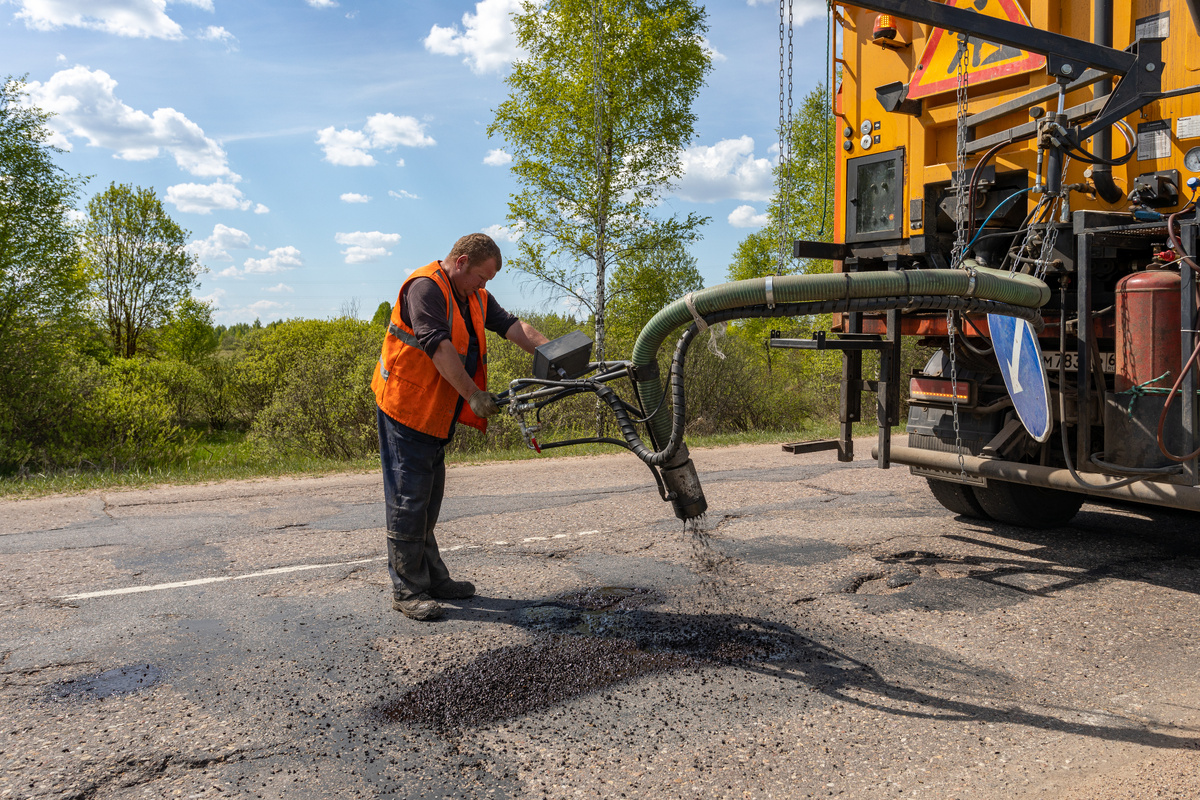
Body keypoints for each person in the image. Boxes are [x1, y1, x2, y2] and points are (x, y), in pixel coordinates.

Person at [372, 233, 549, 621]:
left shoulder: (474, 297)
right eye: (482, 277)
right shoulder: (426, 288)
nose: (485, 286)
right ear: (463, 261)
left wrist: (554, 354)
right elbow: (437, 345)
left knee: (428, 497)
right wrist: (472, 394)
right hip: (406, 408)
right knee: (409, 499)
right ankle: (406, 589)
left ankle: (432, 578)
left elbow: (513, 326)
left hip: (435, 412)